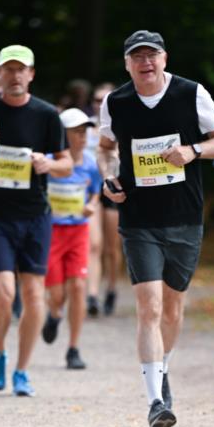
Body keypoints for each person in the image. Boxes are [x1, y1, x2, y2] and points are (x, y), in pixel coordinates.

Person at [98, 29, 214, 427]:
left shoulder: (191, 93)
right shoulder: (116, 102)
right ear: (127, 64)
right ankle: (156, 400)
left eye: (152, 55)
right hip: (138, 219)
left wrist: (193, 151)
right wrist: (109, 178)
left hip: (184, 216)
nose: (146, 63)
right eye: (137, 57)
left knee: (173, 309)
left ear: (164, 58)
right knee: (150, 308)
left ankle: (162, 367)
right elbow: (105, 148)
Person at [0, 45, 71, 396]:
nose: (15, 76)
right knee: (4, 292)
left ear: (31, 74)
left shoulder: (47, 114)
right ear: (0, 73)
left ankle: (21, 370)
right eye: (9, 69)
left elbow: (67, 163)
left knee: (34, 295)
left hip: (35, 215)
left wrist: (48, 165)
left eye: (22, 70)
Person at [42, 108, 102, 369]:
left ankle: (73, 348)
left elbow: (95, 191)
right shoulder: (49, 160)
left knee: (78, 287)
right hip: (51, 231)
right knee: (56, 294)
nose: (81, 136)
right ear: (62, 134)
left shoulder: (90, 163)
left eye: (84, 131)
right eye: (75, 131)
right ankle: (54, 314)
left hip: (78, 230)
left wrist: (92, 205)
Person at [86, 82, 120, 317]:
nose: (100, 104)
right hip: (91, 190)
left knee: (112, 248)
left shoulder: (121, 125)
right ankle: (92, 295)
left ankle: (111, 288)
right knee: (94, 244)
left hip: (115, 188)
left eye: (104, 100)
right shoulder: (86, 128)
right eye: (97, 100)